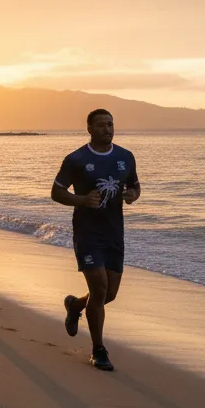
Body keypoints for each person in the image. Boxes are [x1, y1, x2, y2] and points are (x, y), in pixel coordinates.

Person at [51, 109, 139, 372]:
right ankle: (98, 349)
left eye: (110, 124)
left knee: (109, 294)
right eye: (101, 125)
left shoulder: (125, 156)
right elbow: (56, 191)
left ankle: (75, 304)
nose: (107, 129)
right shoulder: (76, 159)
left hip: (114, 232)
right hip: (87, 233)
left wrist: (133, 195)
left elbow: (134, 185)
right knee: (99, 288)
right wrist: (81, 200)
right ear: (89, 128)